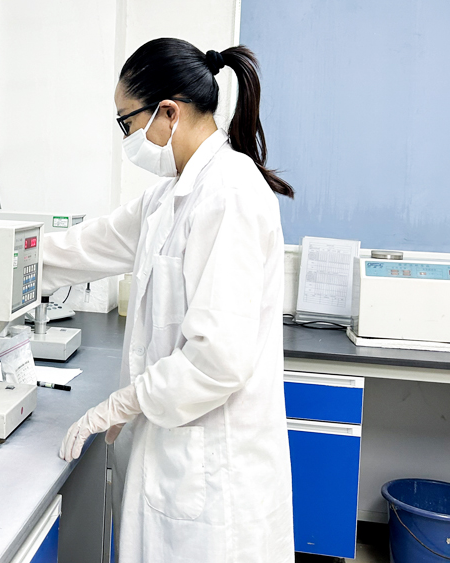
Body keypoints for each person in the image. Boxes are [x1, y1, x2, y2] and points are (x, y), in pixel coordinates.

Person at [40, 37, 295, 563]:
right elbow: (86, 245)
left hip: (215, 481)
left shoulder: (230, 194)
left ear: (168, 112)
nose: (128, 138)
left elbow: (217, 360)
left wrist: (121, 403)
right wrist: (0, 261)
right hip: (173, 463)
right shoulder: (168, 196)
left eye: (126, 123)